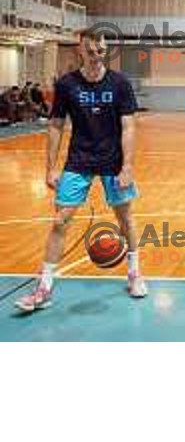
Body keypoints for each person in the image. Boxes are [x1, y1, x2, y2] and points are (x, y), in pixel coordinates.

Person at [16, 31, 147, 313]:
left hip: (113, 161)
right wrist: (50, 168)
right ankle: (44, 286)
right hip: (79, 160)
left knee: (125, 218)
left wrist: (127, 166)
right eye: (92, 51)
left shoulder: (120, 83)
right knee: (61, 221)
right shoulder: (66, 84)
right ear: (81, 50)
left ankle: (135, 273)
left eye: (102, 51)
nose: (97, 56)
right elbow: (55, 126)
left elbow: (129, 127)